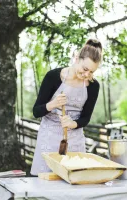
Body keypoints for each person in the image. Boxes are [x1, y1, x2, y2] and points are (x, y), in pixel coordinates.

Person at [30, 39, 102, 175]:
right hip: (49, 138)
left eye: (92, 72)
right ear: (76, 58)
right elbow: (36, 111)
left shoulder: (93, 86)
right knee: (47, 182)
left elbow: (86, 118)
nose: (87, 75)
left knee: (74, 181)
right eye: (85, 69)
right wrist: (53, 104)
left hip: (75, 141)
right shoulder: (53, 77)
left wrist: (73, 123)